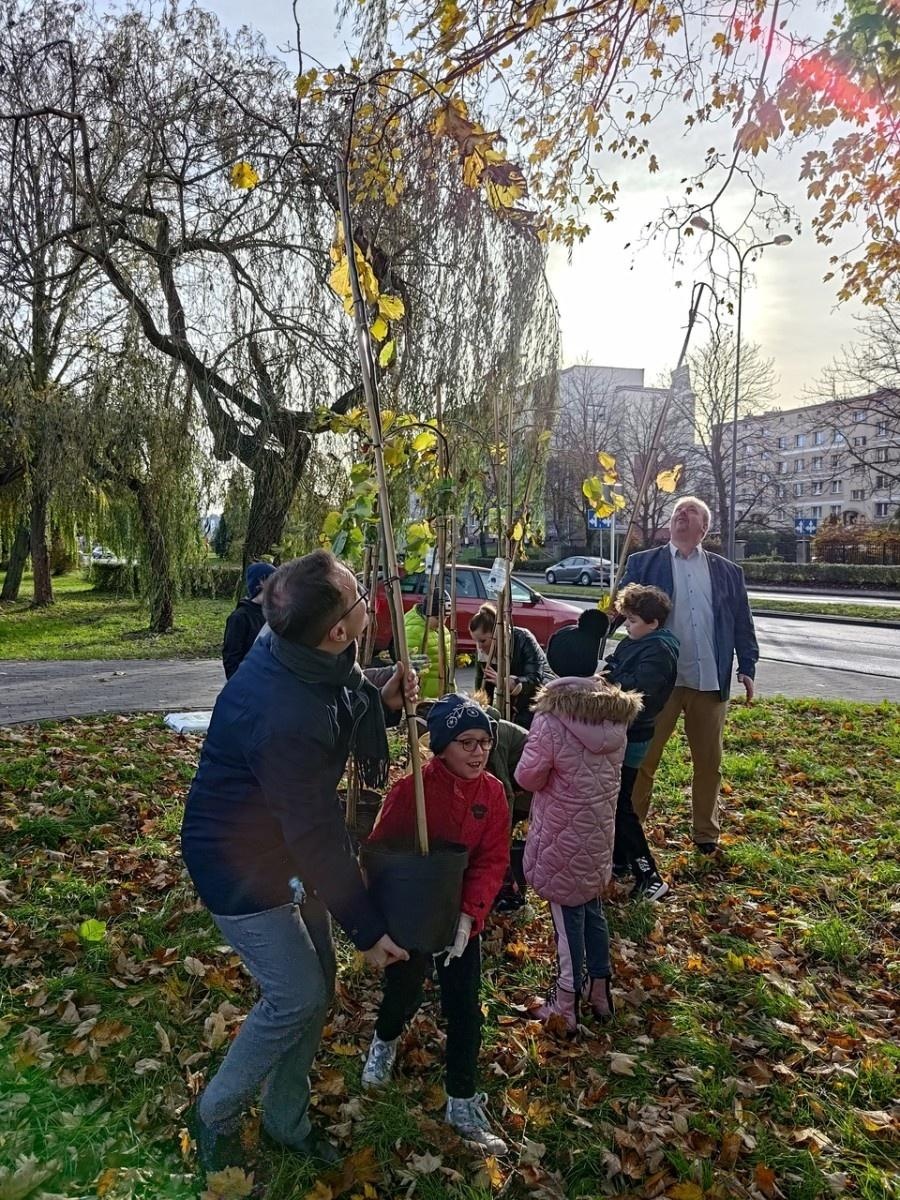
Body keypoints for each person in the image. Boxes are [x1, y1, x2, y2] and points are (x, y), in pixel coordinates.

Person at [181, 550, 414, 1172]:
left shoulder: (300, 646)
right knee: (297, 994)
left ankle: (286, 1120)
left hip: (281, 842)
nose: (367, 596)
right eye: (358, 594)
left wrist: (383, 701)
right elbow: (315, 834)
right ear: (338, 629)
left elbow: (339, 692)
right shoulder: (281, 715)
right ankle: (216, 1114)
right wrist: (366, 928)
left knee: (318, 989)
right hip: (237, 864)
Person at [361, 694, 510, 1155]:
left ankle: (461, 1098)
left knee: (465, 1007)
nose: (478, 752)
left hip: (461, 916)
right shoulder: (413, 792)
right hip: (413, 912)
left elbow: (492, 859)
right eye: (466, 742)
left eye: (485, 742)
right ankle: (384, 1042)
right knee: (405, 988)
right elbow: (378, 851)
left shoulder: (492, 793)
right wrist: (386, 911)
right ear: (441, 746)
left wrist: (470, 916)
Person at [617, 496, 759, 854]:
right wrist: (590, 638)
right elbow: (617, 612)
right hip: (658, 681)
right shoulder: (643, 563)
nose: (682, 514)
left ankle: (706, 835)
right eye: (678, 510)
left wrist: (748, 667)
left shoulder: (727, 571)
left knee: (709, 763)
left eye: (691, 511)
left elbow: (742, 622)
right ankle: (630, 833)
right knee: (643, 760)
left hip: (709, 680)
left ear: (704, 528)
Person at [514, 676, 642, 1031]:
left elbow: (528, 777)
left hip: (560, 835)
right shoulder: (615, 719)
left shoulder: (551, 719)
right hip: (598, 832)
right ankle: (599, 990)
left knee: (566, 919)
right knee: (590, 907)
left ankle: (565, 1003)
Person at [603, 584, 679, 901]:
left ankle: (649, 875)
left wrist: (611, 682)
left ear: (653, 623)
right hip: (619, 731)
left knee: (621, 806)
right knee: (614, 800)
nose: (628, 626)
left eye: (633, 620)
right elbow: (614, 665)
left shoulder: (659, 651)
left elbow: (643, 691)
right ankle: (620, 860)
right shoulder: (635, 642)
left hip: (633, 735)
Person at [470, 602, 553, 728]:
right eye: (476, 641)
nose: (479, 647)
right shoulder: (484, 654)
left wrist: (510, 683)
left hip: (539, 700)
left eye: (482, 641)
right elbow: (483, 693)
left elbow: (535, 679)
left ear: (497, 634)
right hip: (509, 704)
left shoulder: (523, 638)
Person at [221, 561, 276, 679]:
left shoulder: (274, 614)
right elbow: (231, 659)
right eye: (274, 581)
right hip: (249, 683)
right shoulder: (239, 618)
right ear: (261, 582)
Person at [403, 589, 453, 698]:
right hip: (424, 698)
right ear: (427, 613)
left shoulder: (443, 630)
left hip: (442, 695)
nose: (442, 622)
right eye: (437, 618)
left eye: (446, 618)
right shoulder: (413, 632)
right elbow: (410, 669)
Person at [546, 608, 609, 677]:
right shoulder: (590, 642)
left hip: (555, 669)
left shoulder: (564, 631)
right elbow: (590, 670)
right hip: (577, 677)